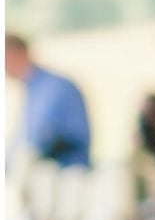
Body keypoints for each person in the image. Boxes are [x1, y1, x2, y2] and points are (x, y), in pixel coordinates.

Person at [5, 32, 91, 167]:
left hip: (66, 173)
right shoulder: (32, 90)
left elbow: (41, 139)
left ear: (14, 55)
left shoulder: (54, 87)